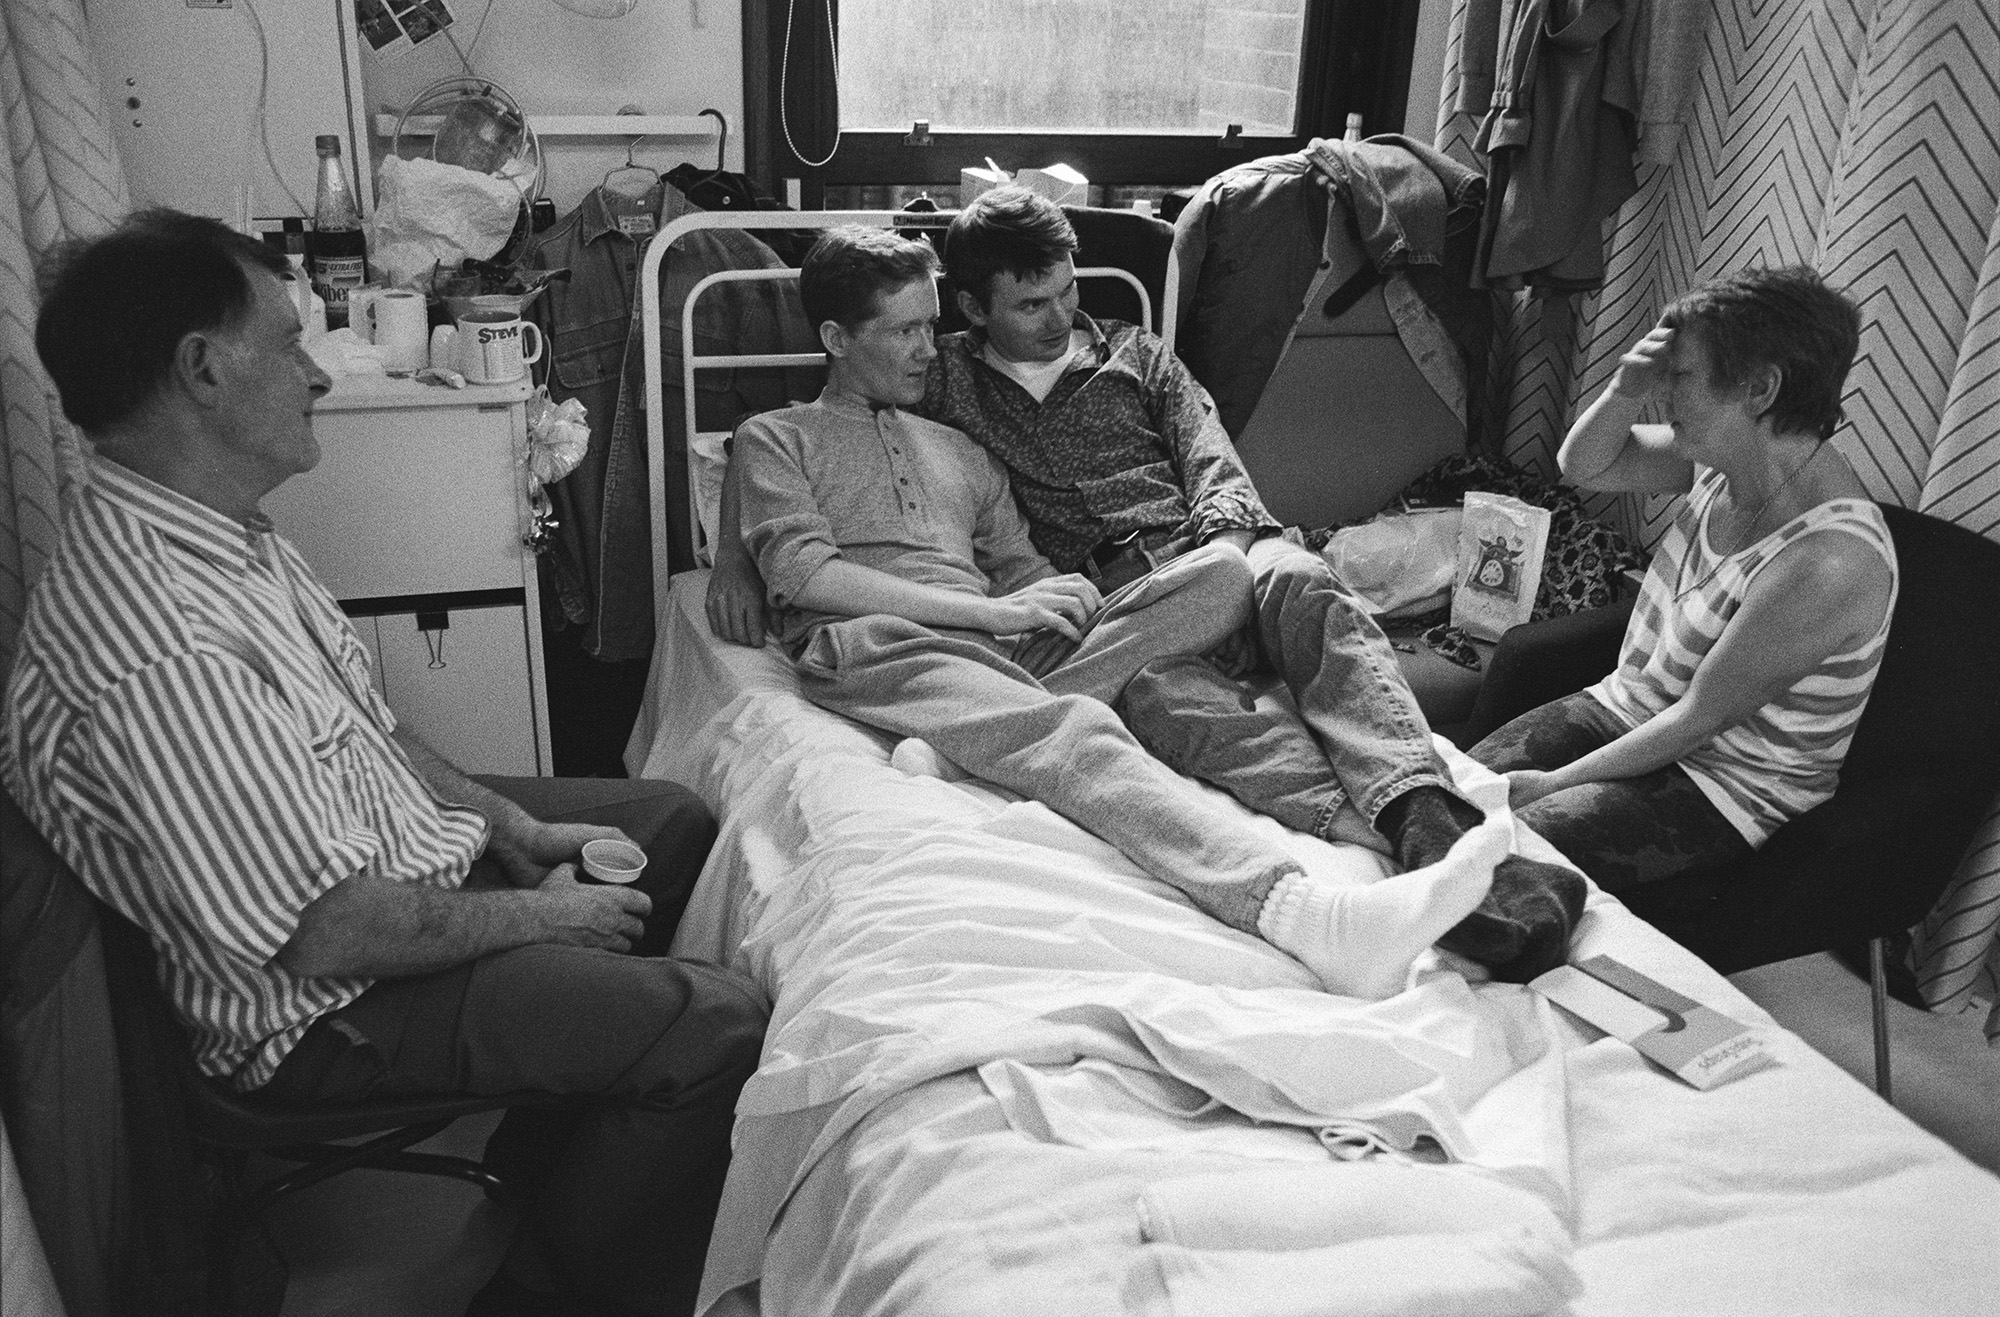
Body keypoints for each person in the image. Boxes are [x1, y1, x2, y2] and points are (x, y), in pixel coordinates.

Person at [0, 210, 769, 1317]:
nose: (315, 375)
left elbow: (368, 730)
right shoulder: (155, 643)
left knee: (672, 823)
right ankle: (535, 1288)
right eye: (291, 343)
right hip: (322, 1009)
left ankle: (560, 1144)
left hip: (386, 885)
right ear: (202, 371)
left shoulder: (228, 533)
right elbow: (326, 931)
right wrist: (542, 918)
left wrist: (510, 832)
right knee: (719, 1027)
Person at [708, 188, 1583, 983]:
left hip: (1166, 576)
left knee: (1263, 579)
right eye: (1029, 304)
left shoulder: (1096, 377)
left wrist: (1082, 593)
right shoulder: (878, 400)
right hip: (983, 634)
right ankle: (1352, 873)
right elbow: (803, 549)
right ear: (965, 314)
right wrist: (733, 555)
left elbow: (1176, 496)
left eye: (1065, 292)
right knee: (1128, 709)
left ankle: (1422, 818)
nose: (1058, 318)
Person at [1467, 265, 1898, 891]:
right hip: (1629, 710)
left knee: (1490, 864)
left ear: (1759, 389)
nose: (1661, 392)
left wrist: (1553, 785)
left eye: (1680, 374)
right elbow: (1580, 463)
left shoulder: (1829, 561)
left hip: (1723, 782)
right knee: (1441, 801)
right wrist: (1623, 387)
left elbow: (1698, 720)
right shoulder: (1718, 460)